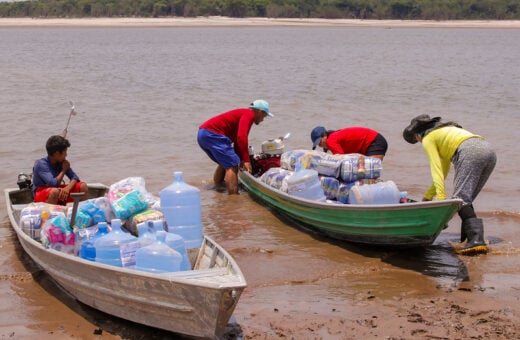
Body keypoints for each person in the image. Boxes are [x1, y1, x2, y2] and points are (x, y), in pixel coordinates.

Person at [403, 114, 496, 255]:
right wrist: (428, 196)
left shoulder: (428, 138)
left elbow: (436, 170)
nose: (419, 142)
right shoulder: (444, 132)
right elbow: (444, 170)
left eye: (416, 139)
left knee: (461, 200)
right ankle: (467, 240)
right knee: (465, 200)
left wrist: (440, 200)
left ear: (418, 134)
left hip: (469, 151)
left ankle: (476, 241)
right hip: (488, 150)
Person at [197, 99, 274, 194]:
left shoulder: (244, 114)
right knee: (232, 164)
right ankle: (233, 197)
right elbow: (242, 137)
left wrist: (241, 158)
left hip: (203, 134)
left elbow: (238, 141)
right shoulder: (249, 114)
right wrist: (246, 160)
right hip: (213, 135)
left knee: (226, 161)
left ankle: (219, 187)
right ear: (260, 112)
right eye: (265, 115)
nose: (263, 119)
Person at [32, 135, 88, 205]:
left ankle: (81, 213)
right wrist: (63, 170)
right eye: (65, 152)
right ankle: (53, 215)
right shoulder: (41, 164)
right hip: (41, 194)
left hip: (56, 191)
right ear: (57, 153)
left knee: (83, 186)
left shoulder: (61, 161)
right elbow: (53, 184)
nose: (66, 155)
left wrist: (67, 188)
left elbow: (75, 178)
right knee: (54, 191)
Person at [310, 126, 388, 160]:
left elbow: (341, 159)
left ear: (324, 135)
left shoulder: (331, 140)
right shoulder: (333, 137)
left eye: (320, 142)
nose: (320, 145)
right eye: (317, 144)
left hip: (374, 142)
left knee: (371, 170)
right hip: (373, 141)